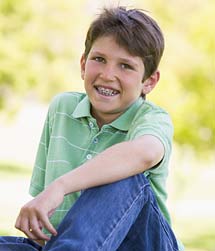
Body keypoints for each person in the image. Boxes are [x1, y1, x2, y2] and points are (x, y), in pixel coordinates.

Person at [0, 6, 184, 251]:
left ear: (149, 82)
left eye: (125, 66)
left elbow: (145, 153)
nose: (108, 75)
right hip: (66, 245)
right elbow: (46, 214)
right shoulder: (63, 108)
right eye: (99, 59)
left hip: (142, 244)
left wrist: (61, 186)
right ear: (83, 64)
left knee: (124, 174)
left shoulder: (151, 119)